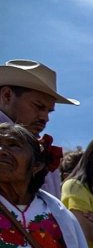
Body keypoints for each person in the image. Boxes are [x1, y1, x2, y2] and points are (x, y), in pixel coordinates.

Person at [0, 60, 78, 199]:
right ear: (7, 95)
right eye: (38, 106)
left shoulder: (42, 149)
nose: (45, 118)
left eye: (49, 111)